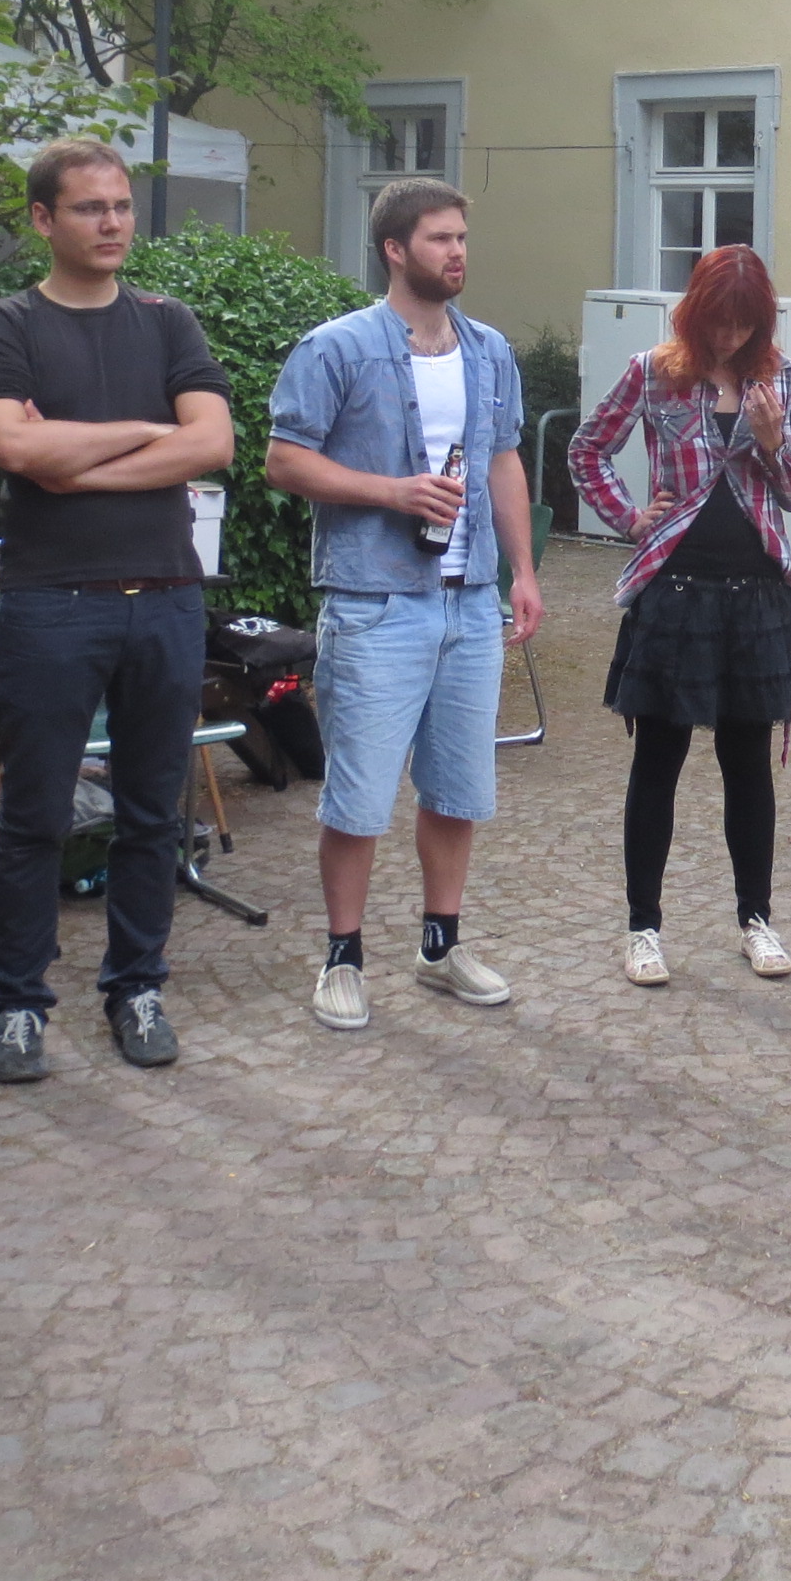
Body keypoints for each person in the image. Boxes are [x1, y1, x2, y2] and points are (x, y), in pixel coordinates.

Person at [0, 139, 233, 1083]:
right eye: (88, 208)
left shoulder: (168, 323)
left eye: (120, 206)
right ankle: (17, 1005)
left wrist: (74, 460)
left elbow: (213, 443)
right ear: (43, 219)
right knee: (32, 815)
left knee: (154, 814)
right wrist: (152, 430)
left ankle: (137, 988)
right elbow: (15, 450)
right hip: (51, 603)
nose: (112, 222)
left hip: (165, 599)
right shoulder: (5, 325)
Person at [265, 179, 543, 1031]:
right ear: (394, 249)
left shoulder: (489, 350)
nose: (457, 252)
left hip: (470, 604)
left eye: (461, 238)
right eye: (439, 239)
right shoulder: (337, 348)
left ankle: (440, 946)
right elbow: (283, 460)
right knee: (358, 798)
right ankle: (342, 958)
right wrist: (392, 491)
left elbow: (502, 459)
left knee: (458, 789)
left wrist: (523, 572)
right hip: (377, 603)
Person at [569, 245, 791, 985]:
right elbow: (587, 451)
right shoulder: (653, 371)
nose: (729, 336)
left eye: (745, 324)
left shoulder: (783, 380)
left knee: (749, 766)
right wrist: (629, 516)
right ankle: (643, 929)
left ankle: (756, 920)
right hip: (674, 591)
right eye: (719, 320)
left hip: (756, 593)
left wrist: (773, 444)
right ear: (695, 311)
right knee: (658, 763)